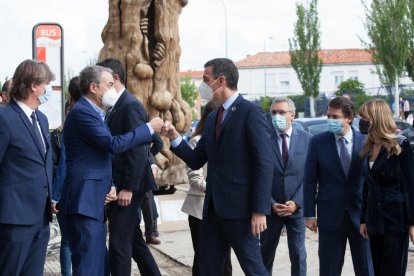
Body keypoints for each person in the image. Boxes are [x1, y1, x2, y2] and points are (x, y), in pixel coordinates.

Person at [163, 58, 274, 275]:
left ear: (220, 81)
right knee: (208, 268)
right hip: (213, 210)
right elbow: (196, 159)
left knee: (253, 268)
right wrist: (175, 137)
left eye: (206, 79)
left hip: (241, 211)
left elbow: (264, 163)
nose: (202, 85)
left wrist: (259, 210)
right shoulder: (214, 117)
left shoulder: (251, 113)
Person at [58, 65, 164, 276]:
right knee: (90, 265)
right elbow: (112, 145)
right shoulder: (82, 113)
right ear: (94, 88)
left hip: (95, 200)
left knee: (98, 264)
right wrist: (148, 128)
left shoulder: (96, 112)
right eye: (108, 85)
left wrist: (113, 185)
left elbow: (101, 157)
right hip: (84, 202)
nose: (113, 88)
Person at [96, 58, 161, 276]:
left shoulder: (130, 104)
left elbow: (138, 149)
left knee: (119, 243)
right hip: (122, 184)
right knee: (132, 239)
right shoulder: (115, 106)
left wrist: (129, 188)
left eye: (102, 81)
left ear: (114, 79)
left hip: (129, 187)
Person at [303, 96, 374, 276]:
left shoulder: (366, 141)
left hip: (361, 217)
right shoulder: (318, 142)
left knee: (366, 267)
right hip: (330, 217)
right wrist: (309, 214)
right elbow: (310, 180)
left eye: (335, 117)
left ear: (349, 117)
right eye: (329, 116)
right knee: (329, 269)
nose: (331, 121)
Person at [0, 60, 55, 275]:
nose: (47, 89)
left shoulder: (40, 118)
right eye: (47, 84)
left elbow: (43, 162)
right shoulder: (5, 119)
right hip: (14, 219)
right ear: (34, 86)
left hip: (41, 217)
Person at [358, 99, 414, 276]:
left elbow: (410, 185)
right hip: (375, 222)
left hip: (396, 220)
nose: (362, 121)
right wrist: (363, 219)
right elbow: (366, 188)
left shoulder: (400, 145)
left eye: (364, 117)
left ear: (376, 118)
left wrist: (412, 223)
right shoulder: (368, 148)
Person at [260, 97, 311, 276]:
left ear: (292, 115)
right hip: (270, 209)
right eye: (273, 112)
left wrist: (297, 202)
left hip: (296, 209)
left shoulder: (307, 140)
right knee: (265, 254)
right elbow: (258, 176)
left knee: (298, 254)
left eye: (281, 112)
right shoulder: (263, 140)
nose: (277, 116)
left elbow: (311, 177)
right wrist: (271, 203)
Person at [182, 100, 232, 276]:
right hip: (200, 209)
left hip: (224, 208)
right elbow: (195, 179)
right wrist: (219, 187)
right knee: (203, 258)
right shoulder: (196, 141)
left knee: (225, 257)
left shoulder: (228, 140)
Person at [50, 76, 82, 276]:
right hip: (76, 192)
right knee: (72, 240)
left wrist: (55, 194)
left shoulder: (64, 131)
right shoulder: (98, 121)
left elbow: (60, 165)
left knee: (69, 240)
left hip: (67, 192)